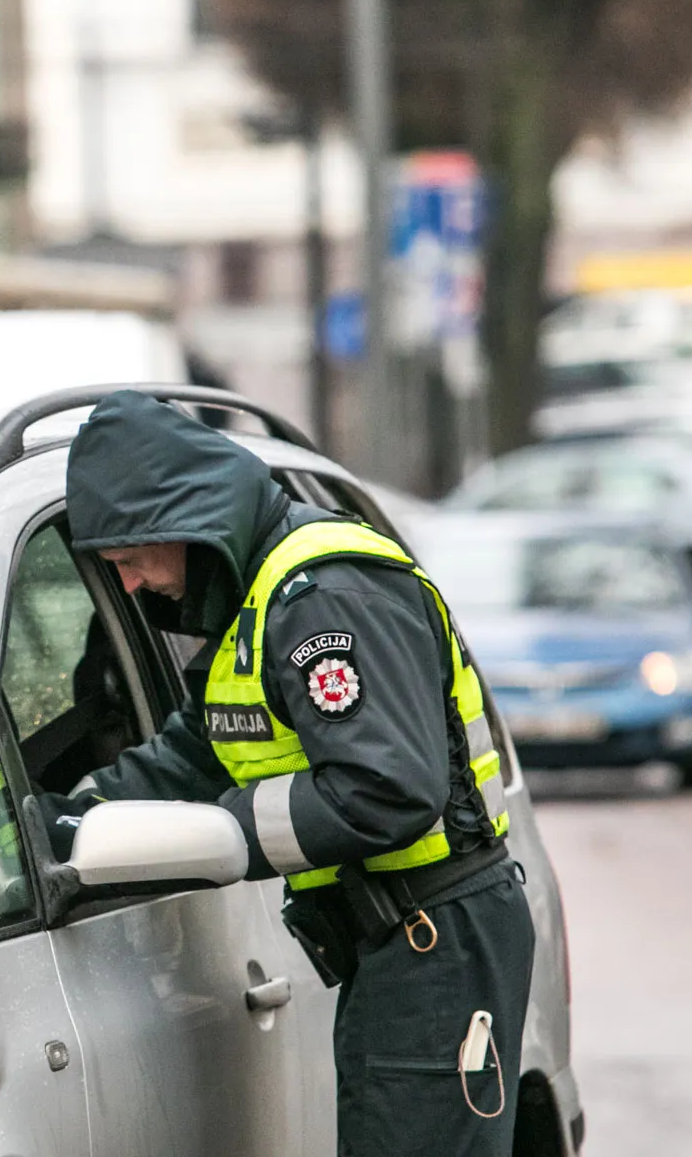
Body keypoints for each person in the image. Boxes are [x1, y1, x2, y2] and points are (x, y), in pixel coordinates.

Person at [38, 390, 534, 1157]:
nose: (131, 585)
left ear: (181, 519)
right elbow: (198, 753)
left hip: (436, 939)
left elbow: (387, 788)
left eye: (132, 559)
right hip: (402, 939)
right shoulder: (258, 601)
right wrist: (66, 819)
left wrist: (219, 831)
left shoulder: (322, 594)